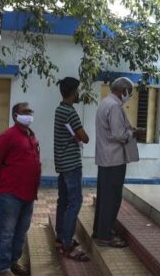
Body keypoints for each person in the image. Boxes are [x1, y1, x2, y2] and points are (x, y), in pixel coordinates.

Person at [0, 103, 41, 276]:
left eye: (30, 111)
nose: (29, 114)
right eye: (25, 112)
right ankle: (3, 268)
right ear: (15, 115)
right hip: (10, 192)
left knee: (21, 231)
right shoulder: (8, 136)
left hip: (28, 193)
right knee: (7, 232)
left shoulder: (32, 136)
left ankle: (14, 261)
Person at [93, 78, 143, 247]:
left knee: (104, 197)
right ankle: (105, 236)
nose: (130, 95)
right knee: (112, 198)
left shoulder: (105, 102)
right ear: (123, 89)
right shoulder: (114, 106)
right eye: (129, 91)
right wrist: (134, 133)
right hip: (113, 159)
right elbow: (118, 134)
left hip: (105, 158)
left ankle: (99, 231)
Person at [54, 77, 90, 261]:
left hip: (61, 163)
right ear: (73, 92)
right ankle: (67, 244)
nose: (79, 94)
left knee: (64, 201)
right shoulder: (70, 112)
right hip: (72, 164)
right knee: (75, 202)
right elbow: (85, 138)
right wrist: (80, 136)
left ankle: (61, 238)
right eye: (78, 90)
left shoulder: (59, 109)